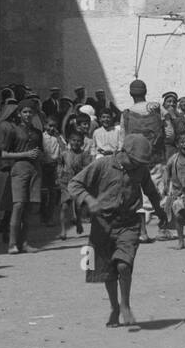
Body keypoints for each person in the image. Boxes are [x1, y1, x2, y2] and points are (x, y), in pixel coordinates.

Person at [68, 133, 168, 327]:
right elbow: (74, 184)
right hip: (102, 224)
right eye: (135, 161)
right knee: (107, 270)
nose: (137, 165)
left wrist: (160, 211)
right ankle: (114, 307)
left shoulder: (140, 169)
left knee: (124, 264)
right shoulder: (102, 164)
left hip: (129, 223)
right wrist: (89, 200)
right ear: (123, 152)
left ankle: (126, 305)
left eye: (141, 162)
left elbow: (150, 191)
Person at [121, 79, 167, 242]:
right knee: (159, 192)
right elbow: (169, 132)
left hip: (135, 160)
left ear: (130, 93)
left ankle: (143, 232)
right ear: (145, 91)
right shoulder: (156, 108)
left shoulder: (126, 113)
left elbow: (123, 140)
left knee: (138, 195)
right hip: (156, 157)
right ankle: (163, 229)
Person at [0, 99, 43, 253]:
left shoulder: (37, 132)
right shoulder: (13, 131)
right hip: (19, 168)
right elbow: (4, 153)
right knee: (18, 205)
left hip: (35, 170)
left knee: (30, 207)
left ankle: (24, 242)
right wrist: (25, 154)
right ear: (19, 114)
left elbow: (41, 151)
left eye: (30, 112)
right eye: (24, 112)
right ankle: (12, 244)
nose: (28, 114)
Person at [57, 126, 92, 240]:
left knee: (78, 206)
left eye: (78, 141)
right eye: (73, 140)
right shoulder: (64, 154)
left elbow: (87, 167)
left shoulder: (84, 154)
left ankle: (78, 222)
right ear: (69, 141)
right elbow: (60, 165)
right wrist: (58, 176)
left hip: (78, 182)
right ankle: (63, 230)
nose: (75, 143)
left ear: (82, 143)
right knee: (64, 206)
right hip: (65, 181)